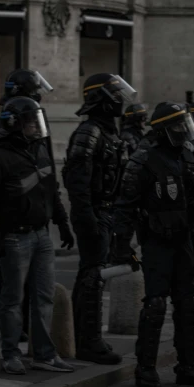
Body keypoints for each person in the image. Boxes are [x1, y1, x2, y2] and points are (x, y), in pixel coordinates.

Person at [114, 102, 194, 387]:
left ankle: (188, 366)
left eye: (186, 126)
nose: (185, 132)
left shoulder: (189, 153)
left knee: (187, 304)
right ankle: (145, 369)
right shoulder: (143, 159)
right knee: (156, 305)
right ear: (163, 130)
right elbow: (125, 205)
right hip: (157, 241)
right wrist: (122, 242)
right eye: (178, 127)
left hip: (185, 238)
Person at [0, 97, 74, 375]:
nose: (36, 126)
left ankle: (44, 354)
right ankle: (10, 354)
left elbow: (51, 190)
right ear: (14, 124)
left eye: (37, 121)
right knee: (12, 300)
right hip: (14, 237)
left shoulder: (39, 149)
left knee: (43, 297)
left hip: (42, 236)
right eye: (31, 122)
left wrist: (62, 222)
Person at [64, 73, 136, 364]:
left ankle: (85, 336)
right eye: (116, 95)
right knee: (93, 277)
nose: (122, 101)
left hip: (105, 211)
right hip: (94, 212)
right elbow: (77, 182)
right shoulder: (89, 132)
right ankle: (88, 342)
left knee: (92, 276)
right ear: (102, 101)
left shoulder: (109, 132)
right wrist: (87, 218)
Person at [0, 69, 56, 343]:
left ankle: (40, 349)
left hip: (37, 223)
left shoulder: (34, 132)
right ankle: (12, 344)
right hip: (13, 227)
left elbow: (47, 176)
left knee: (41, 294)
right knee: (13, 293)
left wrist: (55, 213)